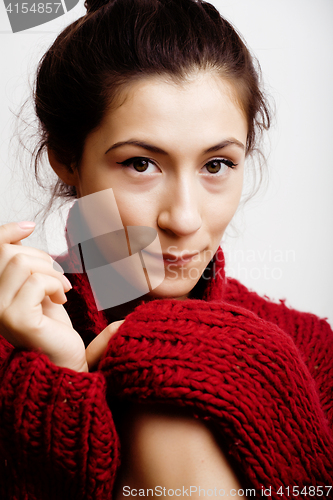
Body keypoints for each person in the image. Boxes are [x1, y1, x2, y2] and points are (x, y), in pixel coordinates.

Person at [0, 0, 332, 499]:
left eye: (217, 165)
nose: (183, 217)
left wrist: (261, 373)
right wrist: (62, 380)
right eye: (141, 164)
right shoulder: (9, 349)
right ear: (67, 159)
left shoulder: (309, 348)